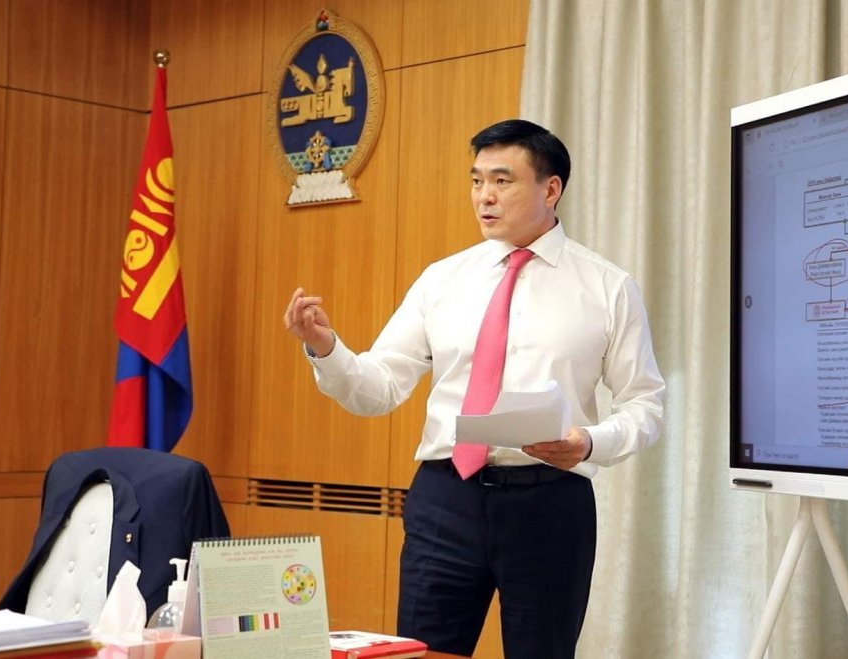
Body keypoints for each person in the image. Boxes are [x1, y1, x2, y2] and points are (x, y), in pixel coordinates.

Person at [283, 119, 665, 658]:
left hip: (550, 502)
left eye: (502, 181)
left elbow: (645, 404)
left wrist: (589, 443)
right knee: (423, 653)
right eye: (477, 180)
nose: (484, 196)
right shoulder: (442, 280)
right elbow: (380, 388)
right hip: (446, 500)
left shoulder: (607, 287)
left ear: (550, 189)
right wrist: (326, 347)